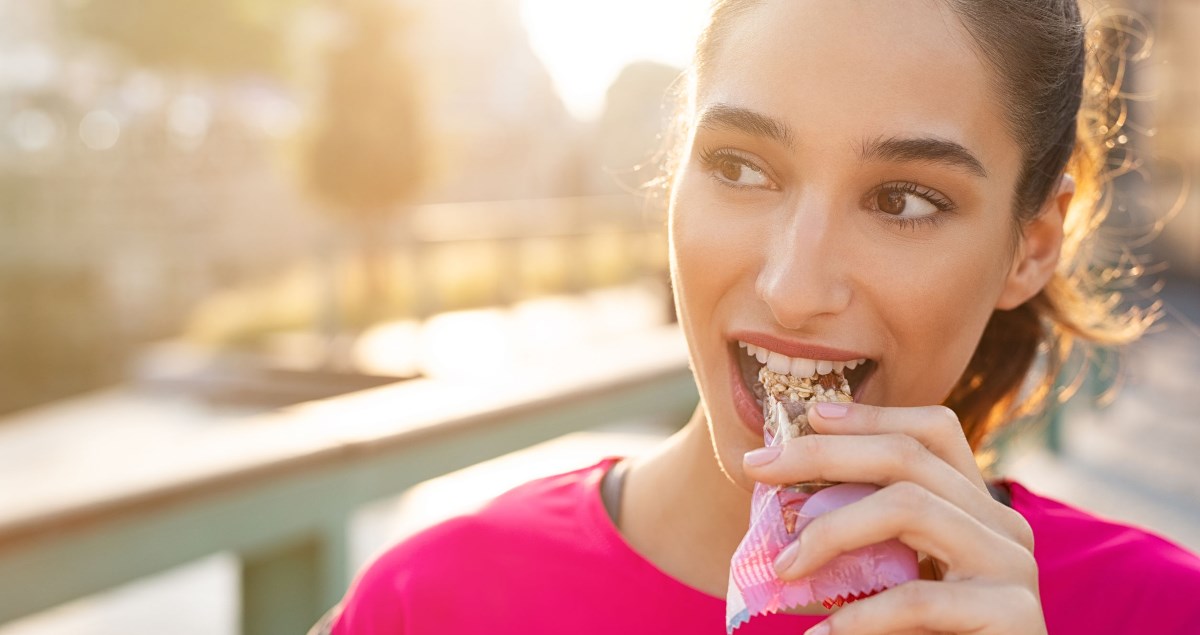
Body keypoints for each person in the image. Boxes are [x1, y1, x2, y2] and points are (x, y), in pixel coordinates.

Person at [319, 1, 1200, 633]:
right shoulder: (429, 604)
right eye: (741, 168)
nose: (791, 283)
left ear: (1032, 243)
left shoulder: (1161, 612)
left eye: (902, 198)